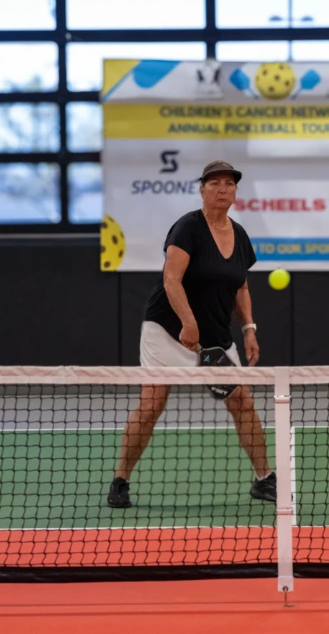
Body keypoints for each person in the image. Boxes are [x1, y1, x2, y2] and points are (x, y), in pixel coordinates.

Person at [107, 160, 275, 509]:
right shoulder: (187, 228)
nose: (222, 189)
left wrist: (249, 329)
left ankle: (263, 480)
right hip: (168, 329)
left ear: (234, 192)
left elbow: (240, 286)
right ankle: (120, 480)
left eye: (229, 183)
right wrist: (187, 322)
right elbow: (171, 278)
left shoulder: (240, 235)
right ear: (202, 189)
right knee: (153, 403)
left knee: (241, 401)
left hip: (213, 336)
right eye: (215, 183)